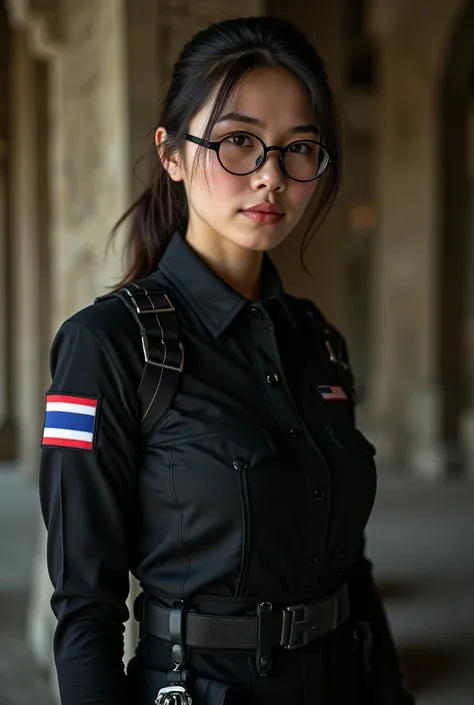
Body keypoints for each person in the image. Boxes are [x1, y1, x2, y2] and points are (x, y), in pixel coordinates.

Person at [39, 15, 414, 705]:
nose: (271, 176)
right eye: (239, 141)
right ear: (172, 154)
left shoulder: (318, 343)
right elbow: (86, 610)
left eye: (299, 148)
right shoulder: (108, 346)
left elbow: (348, 568)